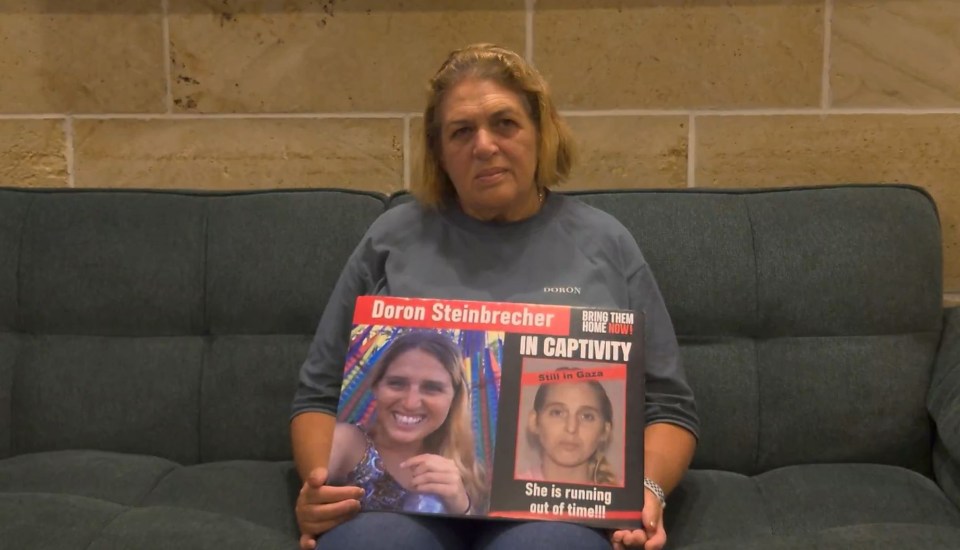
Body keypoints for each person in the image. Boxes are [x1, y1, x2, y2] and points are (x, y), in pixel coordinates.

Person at [291, 43, 699, 550]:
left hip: (554, 517)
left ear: (540, 132)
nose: (484, 145)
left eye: (504, 124)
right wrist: (319, 485)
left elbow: (669, 408)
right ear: (439, 152)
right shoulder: (392, 237)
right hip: (397, 506)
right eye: (462, 132)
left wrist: (648, 492)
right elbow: (317, 394)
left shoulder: (605, 243)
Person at [326, 330, 486, 516]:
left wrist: (461, 506)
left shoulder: (467, 469)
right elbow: (311, 486)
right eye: (397, 383)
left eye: (431, 388)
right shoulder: (348, 442)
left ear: (454, 399)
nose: (411, 403)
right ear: (376, 387)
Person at [520, 371, 620, 486]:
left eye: (587, 416)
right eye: (557, 413)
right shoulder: (511, 492)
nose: (571, 428)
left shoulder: (625, 498)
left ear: (605, 431)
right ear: (534, 422)